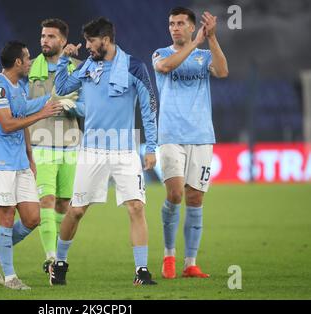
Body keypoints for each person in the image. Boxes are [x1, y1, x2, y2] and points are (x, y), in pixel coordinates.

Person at [51, 17, 158, 286]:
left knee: (136, 207)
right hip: (92, 151)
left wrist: (151, 147)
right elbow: (63, 88)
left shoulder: (134, 67)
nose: (86, 46)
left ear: (106, 40)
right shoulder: (88, 65)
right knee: (76, 211)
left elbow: (148, 108)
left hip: (124, 152)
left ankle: (141, 271)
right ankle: (59, 263)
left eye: (90, 41)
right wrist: (64, 60)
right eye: (86, 41)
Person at [152, 7, 228, 279]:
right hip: (171, 134)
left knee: (195, 198)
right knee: (175, 194)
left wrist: (212, 39)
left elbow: (222, 71)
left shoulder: (204, 55)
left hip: (201, 135)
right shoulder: (160, 53)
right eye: (171, 23)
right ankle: (169, 256)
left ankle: (190, 263)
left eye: (180, 23)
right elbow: (167, 67)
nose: (174, 27)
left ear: (192, 26)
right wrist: (195, 43)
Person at [0, 41, 63, 289]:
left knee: (32, 218)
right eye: (27, 58)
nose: (30, 62)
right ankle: (9, 277)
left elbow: (23, 113)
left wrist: (29, 155)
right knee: (5, 218)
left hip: (19, 162)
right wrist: (43, 113)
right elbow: (7, 124)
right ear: (18, 62)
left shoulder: (19, 86)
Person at [27, 18, 82, 272]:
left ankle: (58, 255)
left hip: (70, 145)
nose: (44, 41)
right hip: (41, 144)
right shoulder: (28, 70)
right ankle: (50, 258)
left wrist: (74, 107)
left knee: (63, 204)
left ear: (63, 40)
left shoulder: (78, 68)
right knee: (46, 200)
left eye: (50, 36)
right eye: (42, 36)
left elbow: (89, 107)